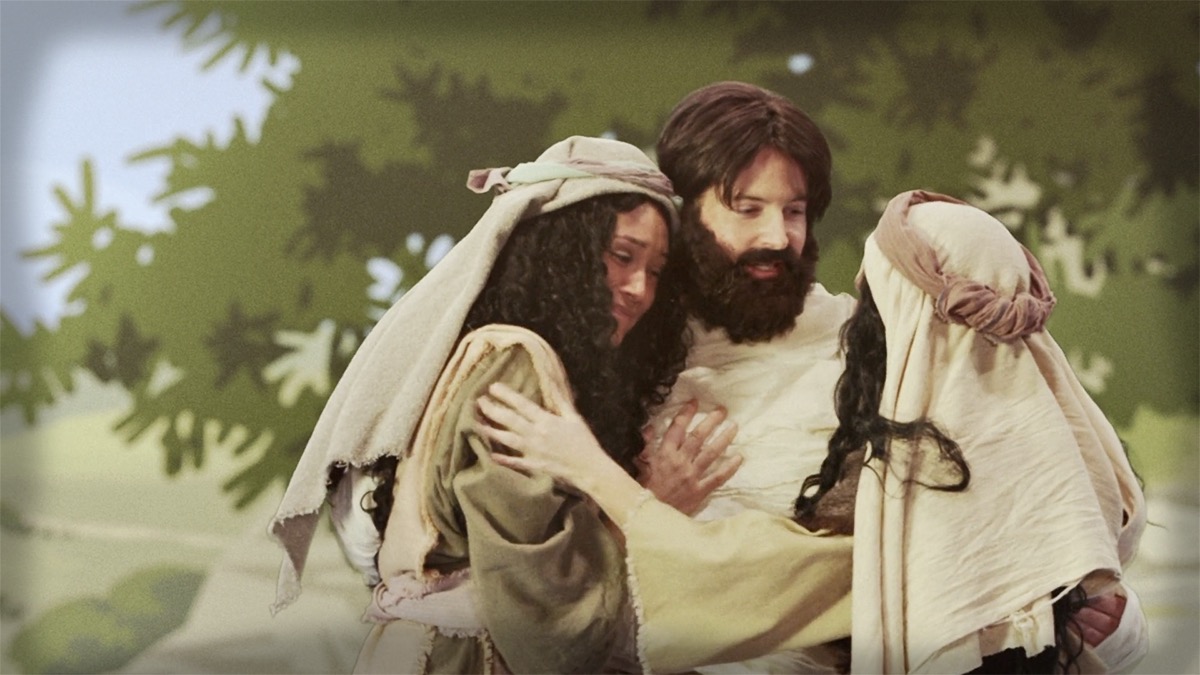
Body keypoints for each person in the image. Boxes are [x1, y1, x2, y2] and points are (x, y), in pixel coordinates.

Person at [480, 190, 1147, 673]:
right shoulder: (1056, 473)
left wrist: (592, 467)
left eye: (873, 303)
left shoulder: (926, 473)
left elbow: (752, 577)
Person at [267, 135, 705, 673]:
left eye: (656, 270)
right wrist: (646, 510)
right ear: (563, 252)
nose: (639, 288)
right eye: (622, 256)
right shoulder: (516, 368)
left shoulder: (482, 354)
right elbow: (542, 617)